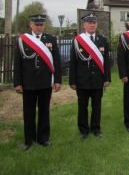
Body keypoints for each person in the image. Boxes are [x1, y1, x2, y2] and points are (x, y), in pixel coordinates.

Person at [13, 14, 62, 151]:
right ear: (31, 25)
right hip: (28, 83)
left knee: (44, 111)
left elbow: (56, 61)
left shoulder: (51, 39)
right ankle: (29, 140)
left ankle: (43, 138)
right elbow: (17, 63)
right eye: (37, 24)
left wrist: (57, 80)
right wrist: (17, 83)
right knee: (28, 112)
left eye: (41, 25)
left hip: (45, 82)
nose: (39, 27)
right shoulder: (23, 40)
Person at [69, 13, 111, 138]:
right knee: (82, 107)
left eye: (94, 22)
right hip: (82, 80)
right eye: (89, 23)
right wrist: (72, 81)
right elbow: (73, 62)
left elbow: (106, 62)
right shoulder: (77, 41)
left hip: (98, 80)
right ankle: (83, 130)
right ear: (84, 25)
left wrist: (107, 78)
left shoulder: (102, 40)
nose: (92, 25)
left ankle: (96, 129)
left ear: (96, 24)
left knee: (97, 106)